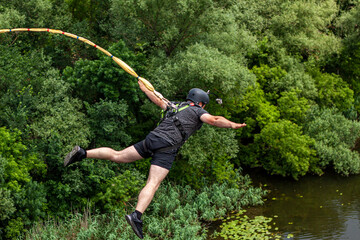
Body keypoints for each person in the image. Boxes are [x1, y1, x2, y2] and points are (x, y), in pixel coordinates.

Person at [64, 80, 246, 239]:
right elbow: (213, 120)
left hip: (152, 140)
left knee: (118, 155)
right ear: (201, 104)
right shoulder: (197, 111)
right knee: (153, 183)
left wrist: (144, 88)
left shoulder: (174, 105)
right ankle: (136, 215)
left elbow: (157, 98)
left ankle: (83, 153)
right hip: (167, 148)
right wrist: (233, 125)